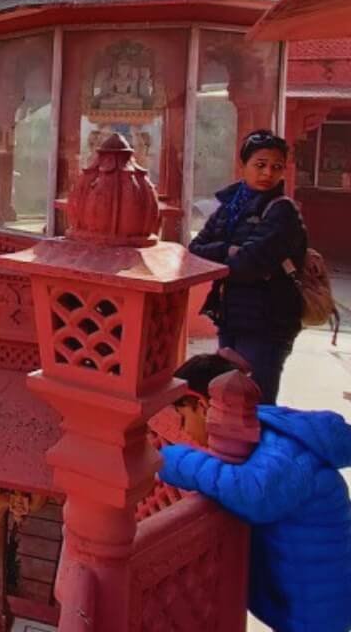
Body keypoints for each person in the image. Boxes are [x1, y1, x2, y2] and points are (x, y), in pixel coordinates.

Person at [160, 352, 351, 632]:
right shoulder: (265, 431)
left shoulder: (282, 451)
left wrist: (171, 460)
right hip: (305, 589)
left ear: (202, 407)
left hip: (317, 601)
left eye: (182, 417)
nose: (183, 429)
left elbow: (252, 494)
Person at [188, 129, 308, 404]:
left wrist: (224, 253)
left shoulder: (282, 211)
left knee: (256, 403)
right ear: (243, 166)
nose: (268, 173)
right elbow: (194, 250)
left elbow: (249, 264)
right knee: (225, 399)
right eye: (260, 165)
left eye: (276, 167)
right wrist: (228, 250)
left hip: (268, 321)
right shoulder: (228, 208)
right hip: (230, 314)